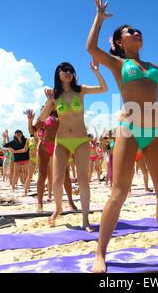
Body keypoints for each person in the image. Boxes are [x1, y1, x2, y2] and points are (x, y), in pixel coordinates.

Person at [87, 0, 158, 273]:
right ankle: (100, 252)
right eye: (130, 32)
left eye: (137, 31)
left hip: (154, 133)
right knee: (119, 193)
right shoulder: (119, 65)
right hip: (129, 130)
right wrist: (99, 17)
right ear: (120, 42)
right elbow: (91, 48)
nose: (136, 33)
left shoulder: (153, 66)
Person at [40, 59, 107, 229]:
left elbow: (104, 89)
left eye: (70, 70)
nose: (67, 72)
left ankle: (85, 220)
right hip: (62, 141)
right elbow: (42, 118)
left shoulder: (81, 90)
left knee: (83, 180)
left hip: (81, 140)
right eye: (64, 70)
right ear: (58, 74)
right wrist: (50, 99)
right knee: (56, 180)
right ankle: (59, 208)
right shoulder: (56, 95)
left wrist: (96, 72)